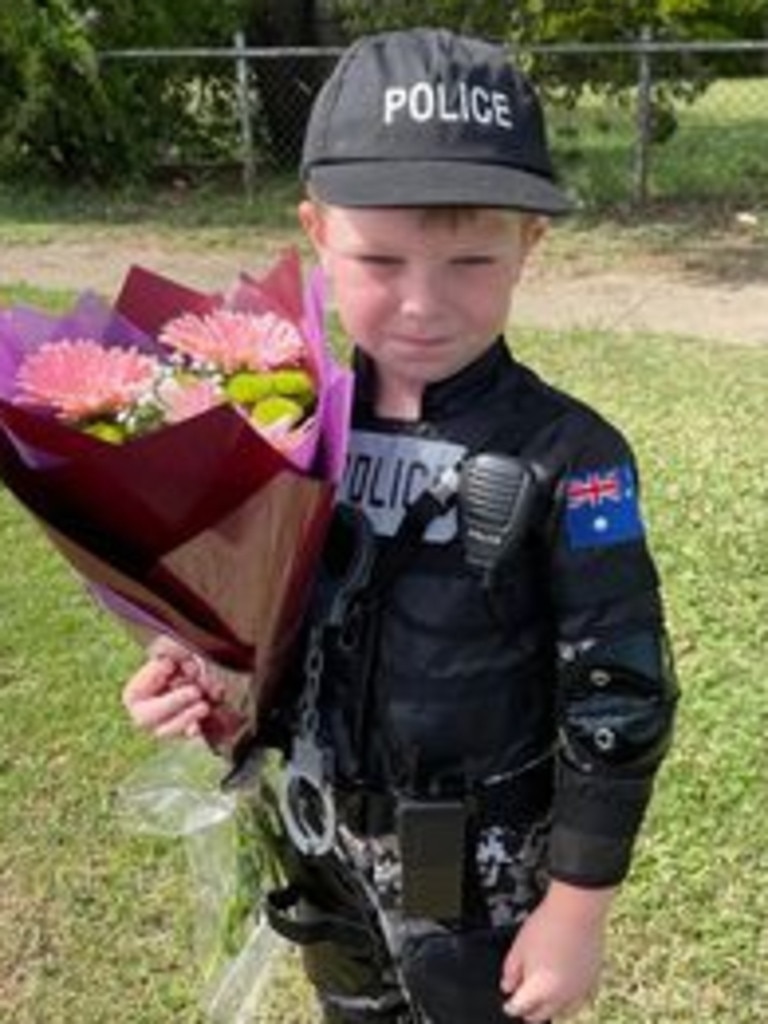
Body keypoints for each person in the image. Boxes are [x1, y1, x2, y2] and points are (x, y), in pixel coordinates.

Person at [123, 27, 678, 1024]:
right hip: (318, 835)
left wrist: (579, 904)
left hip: (456, 859)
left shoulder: (569, 456)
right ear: (316, 233)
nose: (423, 303)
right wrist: (220, 697)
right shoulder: (284, 428)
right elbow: (273, 627)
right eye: (379, 258)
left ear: (529, 245)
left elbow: (619, 693)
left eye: (471, 257)